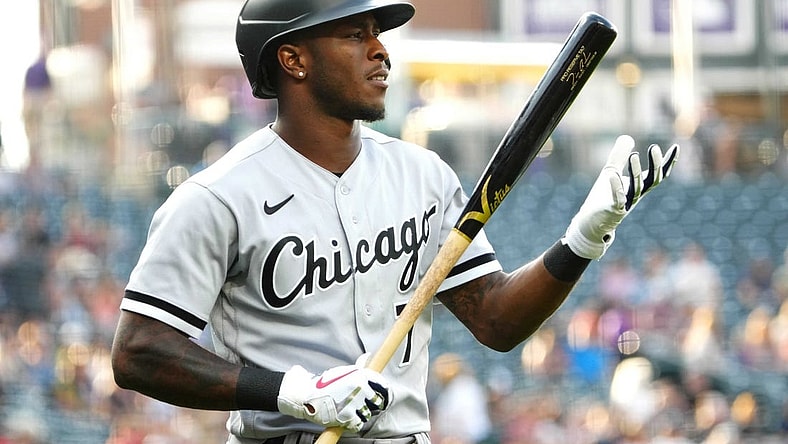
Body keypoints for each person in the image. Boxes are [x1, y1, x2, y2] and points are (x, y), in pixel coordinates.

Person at [110, 1, 680, 443]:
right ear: (294, 58)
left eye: (378, 35)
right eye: (356, 34)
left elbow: (497, 321)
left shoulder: (423, 174)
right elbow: (138, 351)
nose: (381, 51)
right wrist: (294, 392)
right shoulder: (216, 196)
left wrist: (583, 236)